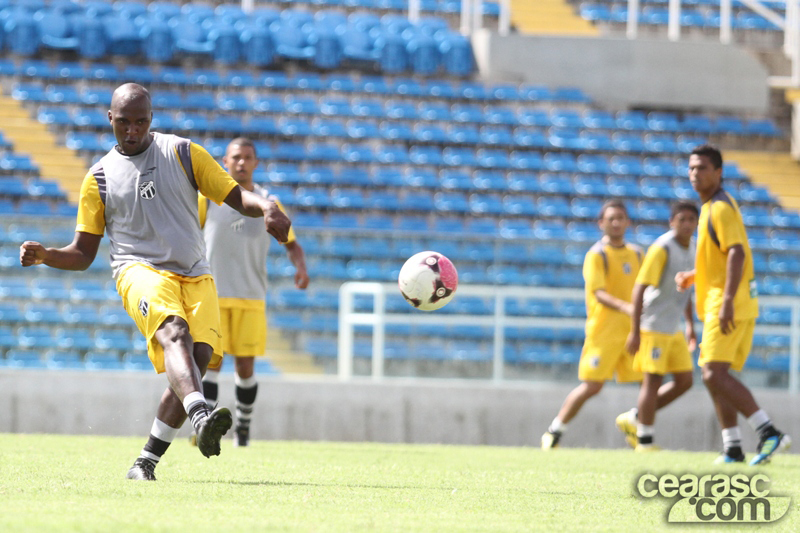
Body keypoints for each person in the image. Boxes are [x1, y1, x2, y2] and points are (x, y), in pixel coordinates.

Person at [19, 84, 292, 481]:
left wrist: (267, 206)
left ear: (151, 119)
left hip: (195, 271)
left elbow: (235, 197)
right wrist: (47, 255)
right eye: (124, 122)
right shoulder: (99, 178)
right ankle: (200, 415)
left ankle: (144, 462)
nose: (132, 130)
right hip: (139, 270)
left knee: (196, 362)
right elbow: (82, 253)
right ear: (110, 119)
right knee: (174, 333)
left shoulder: (183, 153)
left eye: (140, 122)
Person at [675, 145, 789, 464]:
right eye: (691, 168)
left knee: (712, 373)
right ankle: (733, 447)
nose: (695, 173)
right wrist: (695, 276)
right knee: (716, 374)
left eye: (702, 167)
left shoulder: (720, 208)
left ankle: (769, 432)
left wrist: (726, 300)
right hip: (728, 302)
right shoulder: (711, 207)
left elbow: (737, 252)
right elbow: (722, 256)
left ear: (718, 172)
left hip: (728, 304)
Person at [196, 137, 309, 447]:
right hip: (213, 296)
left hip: (251, 296)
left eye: (247, 157)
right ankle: (204, 428)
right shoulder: (208, 200)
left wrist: (300, 267)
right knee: (211, 364)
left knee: (245, 367)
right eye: (236, 157)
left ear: (256, 163)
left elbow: (292, 244)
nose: (241, 162)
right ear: (225, 162)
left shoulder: (269, 203)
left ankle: (243, 429)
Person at [542, 200, 643, 449]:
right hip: (604, 332)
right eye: (611, 218)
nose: (616, 223)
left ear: (628, 222)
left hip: (633, 331)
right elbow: (598, 292)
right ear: (601, 223)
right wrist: (627, 307)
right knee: (592, 386)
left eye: (620, 218)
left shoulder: (638, 254)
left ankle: (639, 427)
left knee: (649, 383)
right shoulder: (597, 255)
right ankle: (554, 431)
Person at [614, 201, 699, 452]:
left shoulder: (694, 247)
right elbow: (640, 288)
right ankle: (645, 440)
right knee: (652, 382)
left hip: (673, 326)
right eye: (681, 219)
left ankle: (635, 417)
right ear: (672, 222)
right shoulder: (662, 248)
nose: (686, 224)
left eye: (691, 219)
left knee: (685, 380)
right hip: (653, 324)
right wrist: (635, 330)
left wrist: (690, 325)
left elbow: (685, 290)